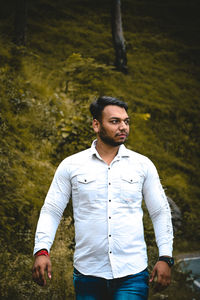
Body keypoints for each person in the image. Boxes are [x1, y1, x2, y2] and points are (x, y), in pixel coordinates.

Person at [32, 96, 174, 299]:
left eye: (126, 121)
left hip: (132, 273)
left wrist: (166, 257)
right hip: (87, 273)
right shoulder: (71, 166)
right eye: (115, 121)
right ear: (96, 125)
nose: (123, 127)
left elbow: (160, 212)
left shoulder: (143, 165)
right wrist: (42, 250)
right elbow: (52, 210)